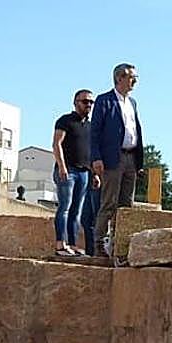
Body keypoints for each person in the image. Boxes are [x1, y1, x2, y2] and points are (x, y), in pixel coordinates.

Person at [90, 63, 144, 258]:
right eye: (131, 77)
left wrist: (139, 161)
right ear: (119, 78)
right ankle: (98, 244)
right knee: (109, 202)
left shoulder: (133, 103)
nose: (135, 81)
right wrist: (96, 157)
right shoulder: (104, 101)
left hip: (131, 157)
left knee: (126, 205)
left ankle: (119, 245)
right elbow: (94, 132)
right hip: (112, 158)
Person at [51, 90, 94, 256]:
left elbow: (89, 151)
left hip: (84, 172)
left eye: (91, 102)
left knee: (77, 211)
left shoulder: (90, 126)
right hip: (67, 171)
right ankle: (60, 244)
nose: (88, 105)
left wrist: (94, 174)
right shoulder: (65, 121)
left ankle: (72, 244)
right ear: (76, 102)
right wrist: (62, 166)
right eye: (85, 101)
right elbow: (56, 144)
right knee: (65, 207)